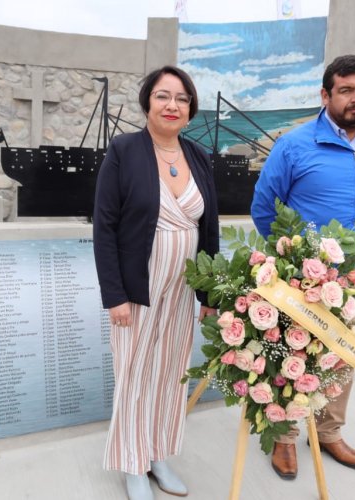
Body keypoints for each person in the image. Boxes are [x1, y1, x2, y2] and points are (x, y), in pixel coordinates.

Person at [251, 55, 355, 479]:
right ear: (326, 94)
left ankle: (328, 431)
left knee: (341, 359)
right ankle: (283, 437)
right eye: (346, 90)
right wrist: (294, 258)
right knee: (290, 356)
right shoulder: (295, 145)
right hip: (303, 279)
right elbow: (264, 208)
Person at [93, 65, 219, 500]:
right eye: (164, 96)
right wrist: (115, 295)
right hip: (137, 288)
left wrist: (209, 293)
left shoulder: (199, 156)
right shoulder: (125, 150)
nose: (173, 105)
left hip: (184, 289)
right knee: (134, 373)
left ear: (190, 109)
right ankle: (132, 463)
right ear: (148, 102)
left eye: (182, 98)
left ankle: (159, 454)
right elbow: (104, 226)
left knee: (170, 373)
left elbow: (211, 229)